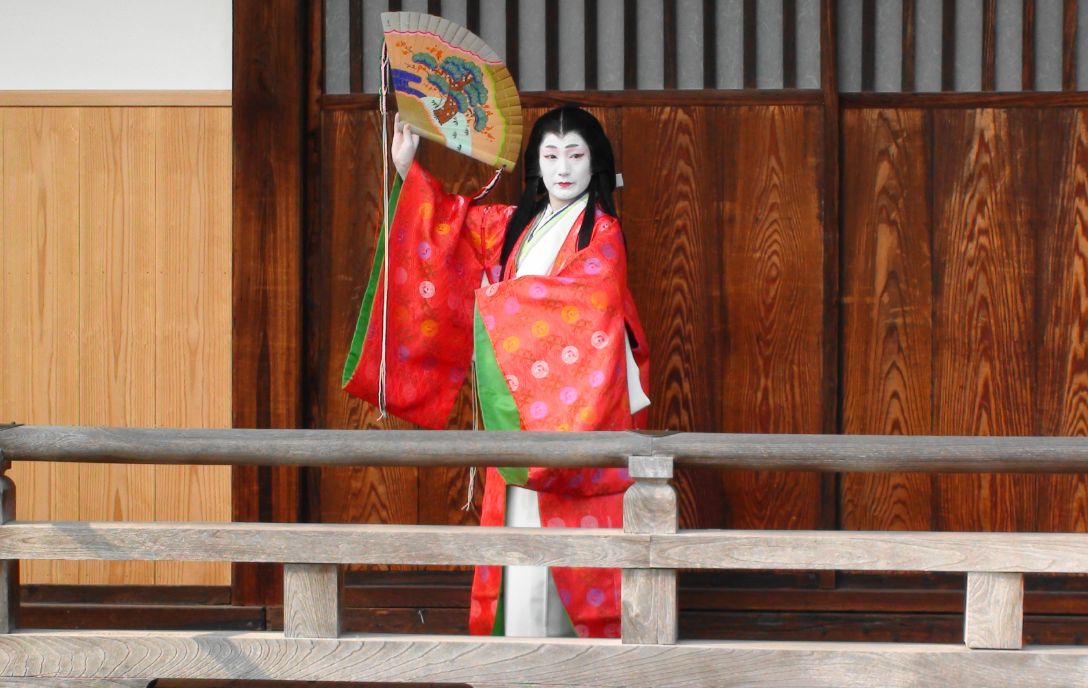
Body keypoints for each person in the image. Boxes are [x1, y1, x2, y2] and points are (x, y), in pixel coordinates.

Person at [342, 106, 650, 638]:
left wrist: (498, 306)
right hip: (520, 421)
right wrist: (407, 169)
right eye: (551, 156)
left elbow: (589, 304)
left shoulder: (601, 233)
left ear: (594, 162)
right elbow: (449, 230)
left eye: (575, 155)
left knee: (574, 569)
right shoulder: (517, 227)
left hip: (574, 419)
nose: (563, 169)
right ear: (535, 163)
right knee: (519, 564)